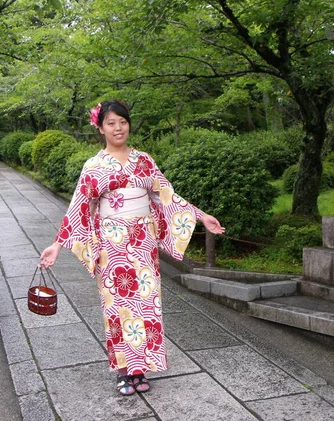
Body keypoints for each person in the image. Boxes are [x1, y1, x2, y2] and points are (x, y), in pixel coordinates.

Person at [39, 100, 225, 395]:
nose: (118, 128)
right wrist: (57, 245)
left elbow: (166, 195)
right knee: (118, 308)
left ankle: (141, 369)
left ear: (128, 124)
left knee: (146, 305)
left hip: (142, 242)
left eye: (122, 122)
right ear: (100, 128)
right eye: (111, 123)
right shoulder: (94, 166)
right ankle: (124, 371)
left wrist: (202, 216)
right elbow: (79, 207)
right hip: (111, 246)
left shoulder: (144, 160)